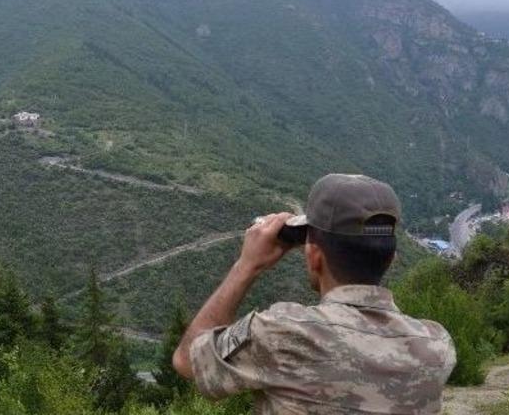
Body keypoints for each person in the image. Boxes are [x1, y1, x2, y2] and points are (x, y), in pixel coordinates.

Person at [172, 174, 456, 414]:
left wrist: (246, 266)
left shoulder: (282, 334)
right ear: (391, 258)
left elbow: (188, 361)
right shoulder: (436, 347)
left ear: (314, 257)